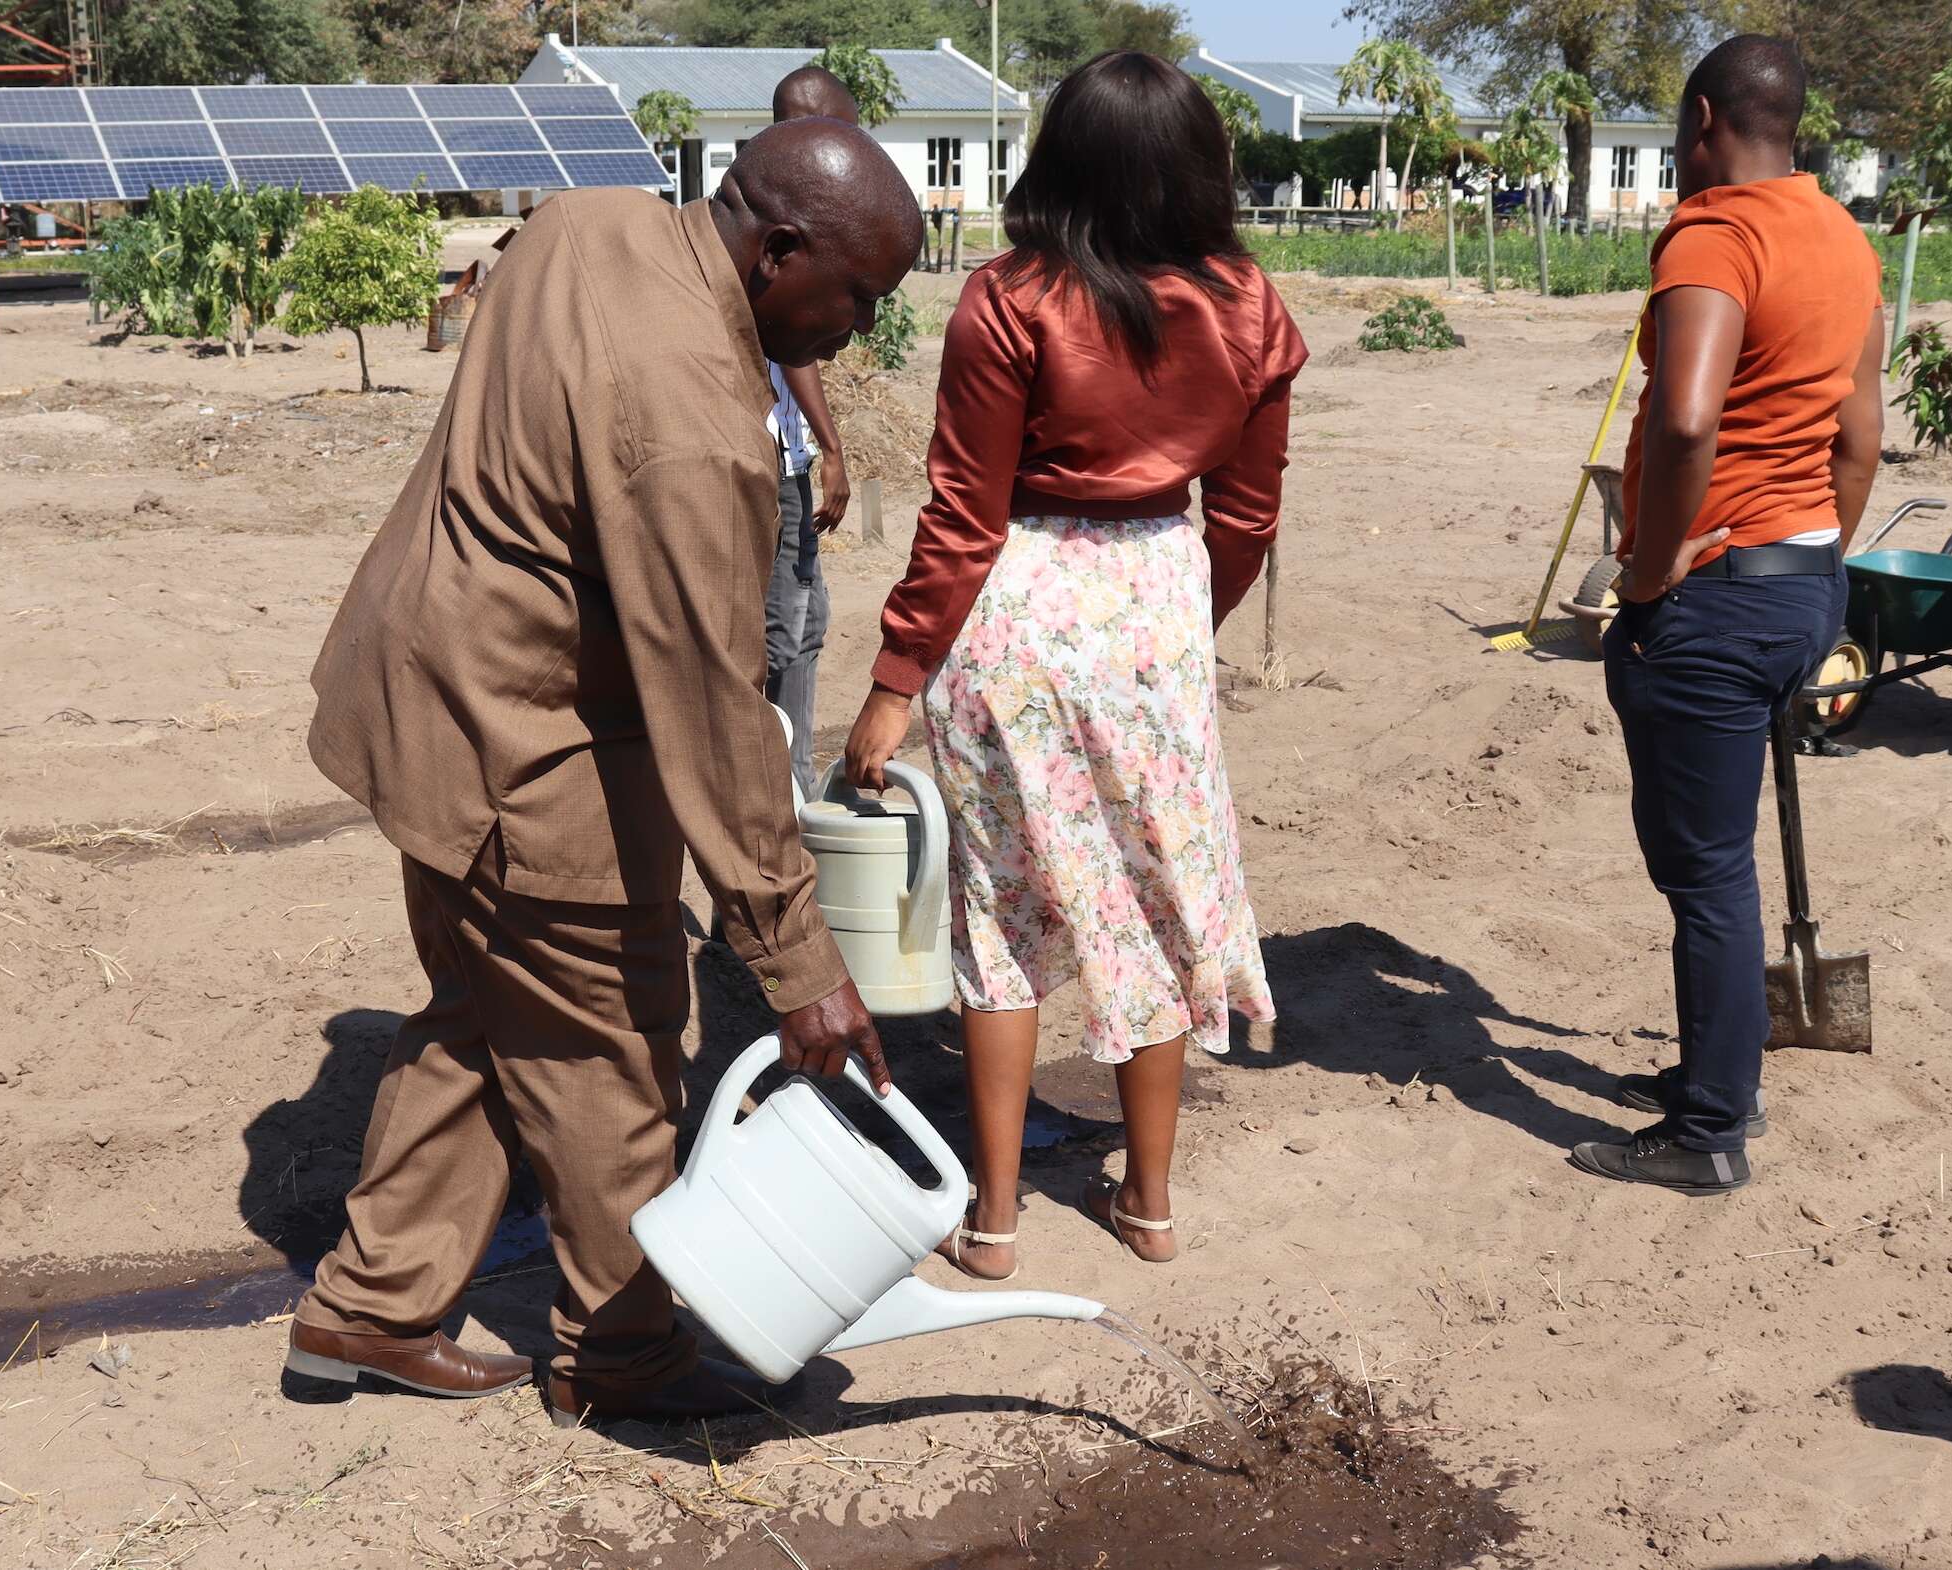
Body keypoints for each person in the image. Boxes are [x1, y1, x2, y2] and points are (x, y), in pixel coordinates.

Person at [290, 119, 919, 1428]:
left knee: (482, 1015)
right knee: (616, 1059)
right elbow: (716, 709)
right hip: (526, 757)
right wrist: (798, 963)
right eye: (857, 294)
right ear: (779, 246)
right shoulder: (698, 429)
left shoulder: (588, 221)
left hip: (414, 693)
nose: (859, 329)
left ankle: (372, 1302)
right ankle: (620, 1355)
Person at [842, 52, 1302, 1277]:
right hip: (1153, 605)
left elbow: (960, 513)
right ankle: (1148, 1206)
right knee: (1152, 905)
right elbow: (1247, 518)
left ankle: (991, 1221)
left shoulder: (1008, 296)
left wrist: (895, 681)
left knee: (997, 912)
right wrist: (1171, 637)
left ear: (1061, 160)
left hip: (1012, 614)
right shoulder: (1254, 308)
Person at [1570, 36, 1879, 1196]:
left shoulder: (1717, 234)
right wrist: (1813, 560)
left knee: (1705, 871)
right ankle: (1720, 1065)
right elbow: (1859, 441)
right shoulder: (1842, 238)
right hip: (1802, 582)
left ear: (1703, 120)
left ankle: (1709, 1129)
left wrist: (1648, 578)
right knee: (1720, 864)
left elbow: (1686, 422)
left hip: (1710, 599)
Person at [762, 67, 858, 791]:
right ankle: (776, 798)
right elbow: (791, 347)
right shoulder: (776, 228)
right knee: (782, 631)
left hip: (783, 456)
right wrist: (831, 449)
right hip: (770, 459)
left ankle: (787, 789)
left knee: (807, 620)